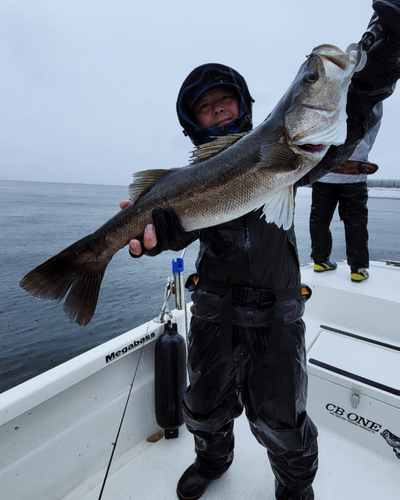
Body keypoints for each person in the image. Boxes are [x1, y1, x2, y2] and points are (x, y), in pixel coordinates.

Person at [121, 3, 400, 498]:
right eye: (206, 108)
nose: (219, 110)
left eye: (225, 101)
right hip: (213, 311)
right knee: (204, 407)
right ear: (193, 123)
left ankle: (294, 489)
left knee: (283, 421)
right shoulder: (189, 181)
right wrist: (163, 234)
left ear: (244, 105)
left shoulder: (290, 153)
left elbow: (348, 117)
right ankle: (212, 461)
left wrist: (381, 58)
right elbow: (182, 229)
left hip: (278, 314)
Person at [310, 116, 381, 282]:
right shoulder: (369, 95)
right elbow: (373, 127)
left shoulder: (329, 95)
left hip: (324, 170)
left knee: (319, 219)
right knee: (356, 221)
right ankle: (358, 268)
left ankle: (320, 261)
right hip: (354, 172)